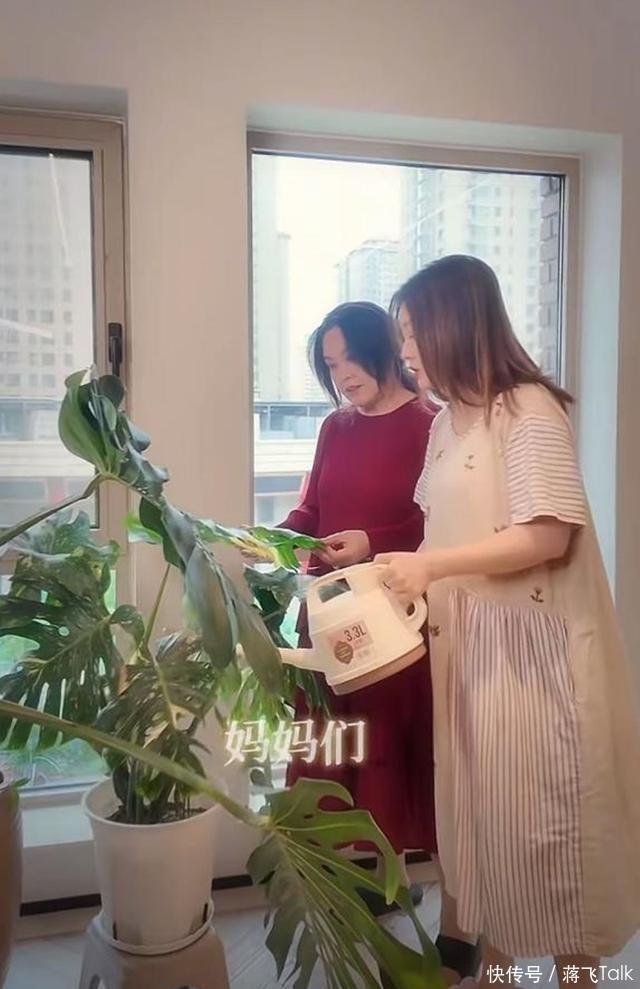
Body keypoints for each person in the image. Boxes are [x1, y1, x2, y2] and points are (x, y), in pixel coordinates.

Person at [376, 255, 640, 987]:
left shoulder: (528, 409)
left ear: (453, 325)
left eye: (412, 333)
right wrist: (398, 571)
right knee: (486, 832)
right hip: (467, 653)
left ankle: (577, 976)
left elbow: (546, 535)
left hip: (534, 662)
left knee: (551, 842)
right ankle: (493, 971)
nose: (405, 351)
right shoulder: (445, 424)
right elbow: (442, 531)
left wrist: (431, 567)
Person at [281, 301, 479, 986]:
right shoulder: (335, 427)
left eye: (347, 359)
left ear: (384, 348)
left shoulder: (432, 424)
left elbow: (443, 529)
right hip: (331, 624)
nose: (340, 375)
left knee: (400, 764)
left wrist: (375, 543)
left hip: (395, 629)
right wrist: (280, 537)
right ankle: (374, 882)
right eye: (329, 365)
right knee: (338, 759)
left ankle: (441, 915)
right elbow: (313, 509)